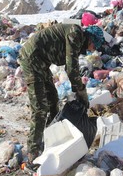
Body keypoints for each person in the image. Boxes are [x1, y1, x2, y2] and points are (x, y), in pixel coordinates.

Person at [18, 23, 104, 167]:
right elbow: (71, 68)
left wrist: (79, 90)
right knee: (40, 107)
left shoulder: (78, 38)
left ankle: (50, 140)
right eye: (94, 46)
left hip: (42, 62)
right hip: (32, 60)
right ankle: (32, 154)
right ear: (90, 40)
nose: (93, 50)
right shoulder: (75, 34)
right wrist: (81, 91)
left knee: (53, 100)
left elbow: (71, 65)